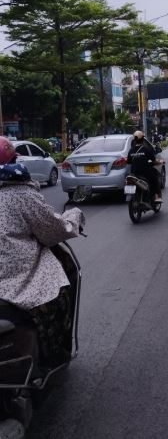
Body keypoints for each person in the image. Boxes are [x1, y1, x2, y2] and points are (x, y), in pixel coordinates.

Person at [0, 136, 85, 367]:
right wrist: (73, 218)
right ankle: (54, 354)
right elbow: (52, 230)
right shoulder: (18, 192)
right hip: (16, 280)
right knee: (57, 290)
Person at [127, 130, 163, 203]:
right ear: (142, 139)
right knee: (155, 177)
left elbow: (129, 161)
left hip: (134, 173)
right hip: (145, 173)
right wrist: (160, 162)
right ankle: (157, 196)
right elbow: (153, 160)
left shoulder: (131, 150)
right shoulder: (146, 149)